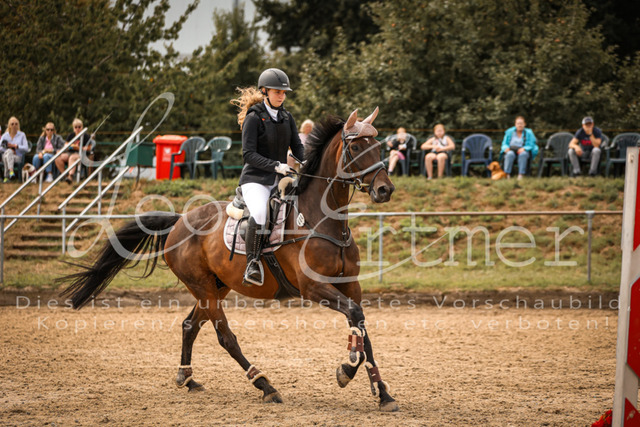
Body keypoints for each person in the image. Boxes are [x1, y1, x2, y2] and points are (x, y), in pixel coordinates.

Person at [230, 68, 304, 286]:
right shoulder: (254, 118)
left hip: (280, 180)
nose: (281, 96)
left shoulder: (287, 117)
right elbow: (248, 154)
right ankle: (252, 264)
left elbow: (298, 147)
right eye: (277, 92)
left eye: (284, 93)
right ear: (265, 91)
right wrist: (276, 166)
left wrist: (309, 161)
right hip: (256, 180)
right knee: (261, 213)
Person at [499, 116, 538, 180]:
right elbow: (504, 144)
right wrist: (506, 148)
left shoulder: (529, 133)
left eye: (521, 123)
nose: (520, 125)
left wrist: (524, 148)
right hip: (511, 150)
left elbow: (532, 144)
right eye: (518, 123)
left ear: (524, 124)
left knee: (523, 154)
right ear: (515, 124)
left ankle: (521, 175)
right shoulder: (509, 132)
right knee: (509, 154)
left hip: (523, 151)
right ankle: (507, 174)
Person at [55, 118, 93, 184]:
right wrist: (66, 148)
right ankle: (65, 176)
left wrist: (78, 148)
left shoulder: (86, 136)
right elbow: (66, 145)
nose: (77, 129)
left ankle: (71, 176)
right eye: (76, 127)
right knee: (58, 158)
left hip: (81, 155)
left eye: (79, 127)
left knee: (72, 157)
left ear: (82, 127)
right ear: (73, 128)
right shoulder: (71, 135)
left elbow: (89, 148)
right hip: (70, 152)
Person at [0, 117, 29, 182]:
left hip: (18, 157)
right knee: (9, 152)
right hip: (6, 155)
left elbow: (26, 148)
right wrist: (8, 149)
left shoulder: (22, 135)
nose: (14, 125)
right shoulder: (5, 136)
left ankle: (6, 177)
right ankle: (11, 172)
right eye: (12, 124)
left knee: (7, 156)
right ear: (9, 126)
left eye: (16, 124)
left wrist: (16, 146)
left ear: (18, 125)